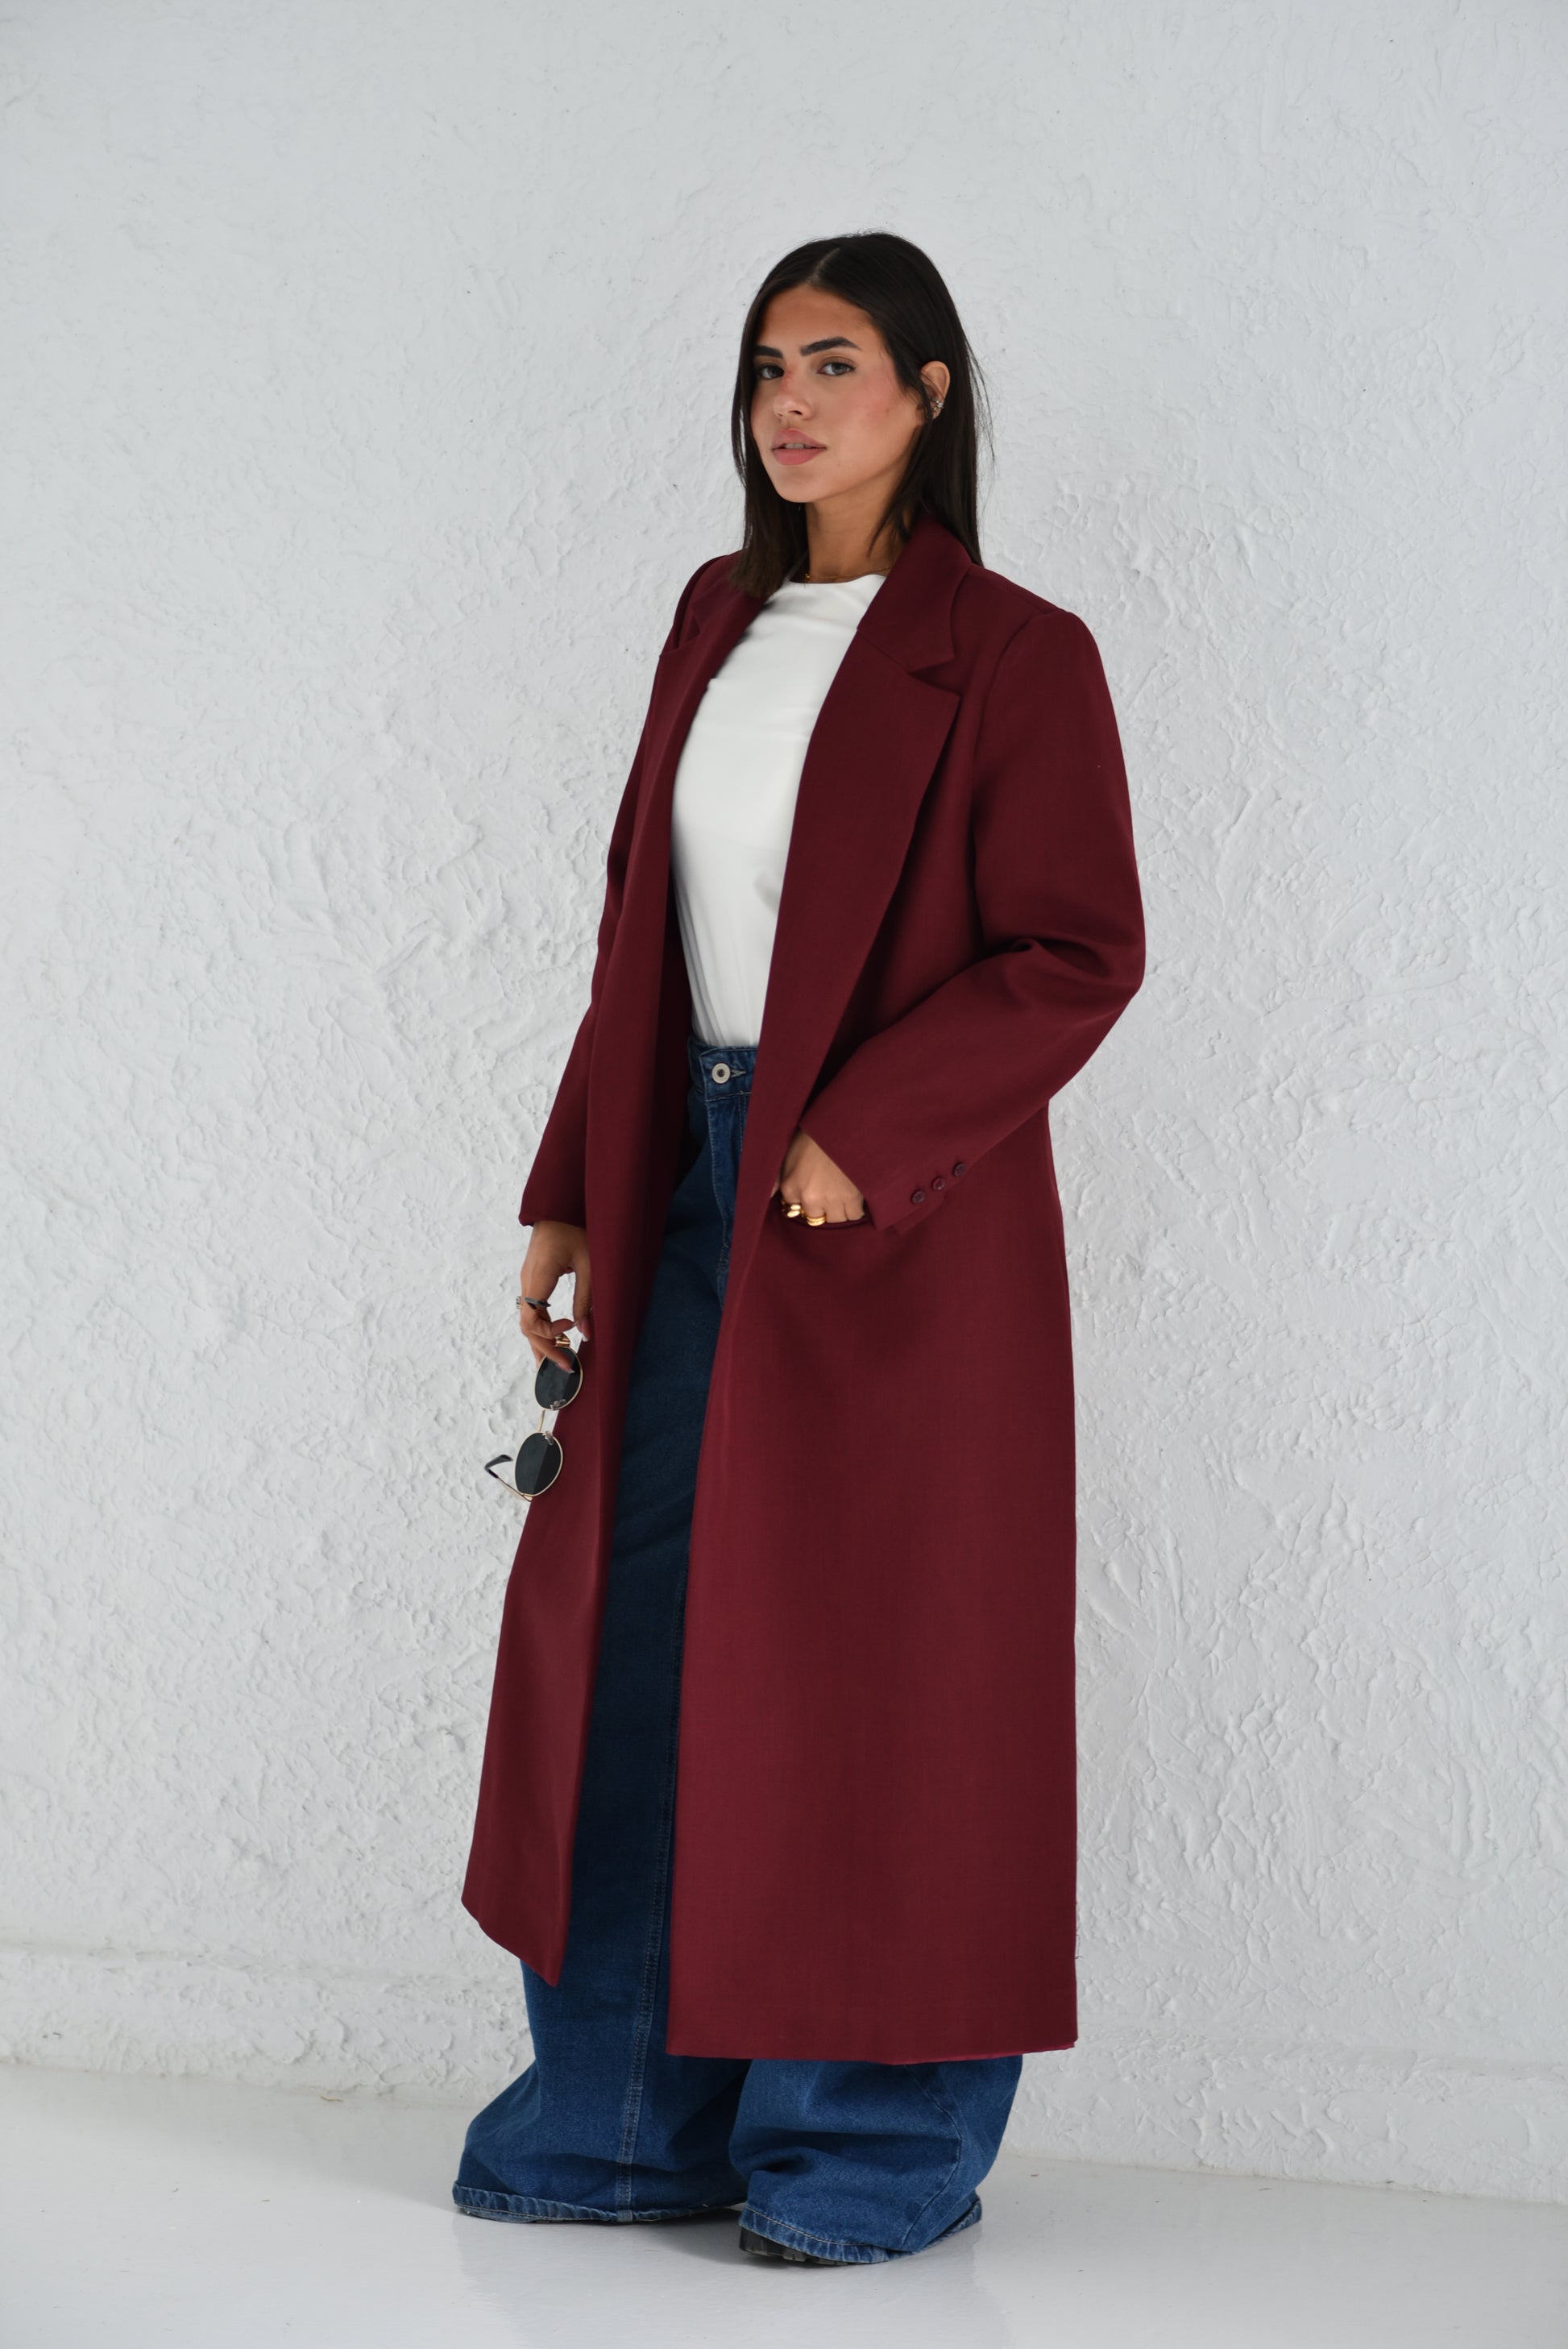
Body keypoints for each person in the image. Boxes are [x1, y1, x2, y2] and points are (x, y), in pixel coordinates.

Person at [454, 231, 1146, 2267]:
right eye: (767, 366)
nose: (789, 403)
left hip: (883, 1214)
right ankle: (622, 2117)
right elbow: (636, 932)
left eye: (835, 363)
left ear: (929, 393)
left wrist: (865, 1135)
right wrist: (577, 1180)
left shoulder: (1015, 654)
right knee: (633, 1635)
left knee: (873, 1666)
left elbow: (1078, 949)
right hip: (682, 1165)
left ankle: (862, 2150)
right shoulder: (715, 619)